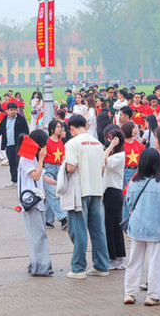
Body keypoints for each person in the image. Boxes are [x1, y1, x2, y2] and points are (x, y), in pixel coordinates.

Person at [123, 149, 160, 306]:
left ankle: (130, 293)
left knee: (134, 260)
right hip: (156, 227)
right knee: (156, 262)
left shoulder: (133, 182)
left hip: (137, 227)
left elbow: (128, 202)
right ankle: (153, 295)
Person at [63, 114, 111, 278]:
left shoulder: (72, 143)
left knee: (78, 229)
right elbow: (102, 168)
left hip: (80, 191)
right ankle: (102, 265)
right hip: (96, 189)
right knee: (98, 230)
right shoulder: (97, 143)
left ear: (71, 128)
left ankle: (78, 267)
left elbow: (70, 167)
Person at [18, 129, 55, 276]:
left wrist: (57, 183)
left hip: (38, 201)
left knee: (40, 234)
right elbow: (36, 175)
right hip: (30, 202)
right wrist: (41, 159)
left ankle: (37, 263)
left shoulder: (32, 157)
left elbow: (43, 176)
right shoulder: (26, 158)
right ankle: (40, 266)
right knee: (37, 235)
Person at [103, 128, 127, 270]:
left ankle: (117, 257)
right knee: (108, 226)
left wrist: (111, 146)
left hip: (114, 193)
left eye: (110, 139)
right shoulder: (111, 153)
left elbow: (104, 160)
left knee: (113, 226)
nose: (108, 141)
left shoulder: (120, 156)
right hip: (107, 193)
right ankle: (111, 256)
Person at [0, 101, 30, 188]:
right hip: (9, 145)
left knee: (19, 163)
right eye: (11, 110)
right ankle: (14, 180)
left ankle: (22, 180)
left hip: (19, 145)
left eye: (15, 109)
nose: (13, 111)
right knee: (12, 163)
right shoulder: (5, 119)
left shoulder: (21, 119)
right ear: (7, 111)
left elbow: (26, 132)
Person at [43, 119, 68, 230]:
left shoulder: (60, 142)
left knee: (51, 195)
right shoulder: (47, 141)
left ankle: (48, 220)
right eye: (58, 127)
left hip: (58, 169)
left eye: (61, 127)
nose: (60, 129)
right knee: (53, 193)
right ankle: (63, 217)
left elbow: (63, 156)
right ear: (52, 129)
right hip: (48, 168)